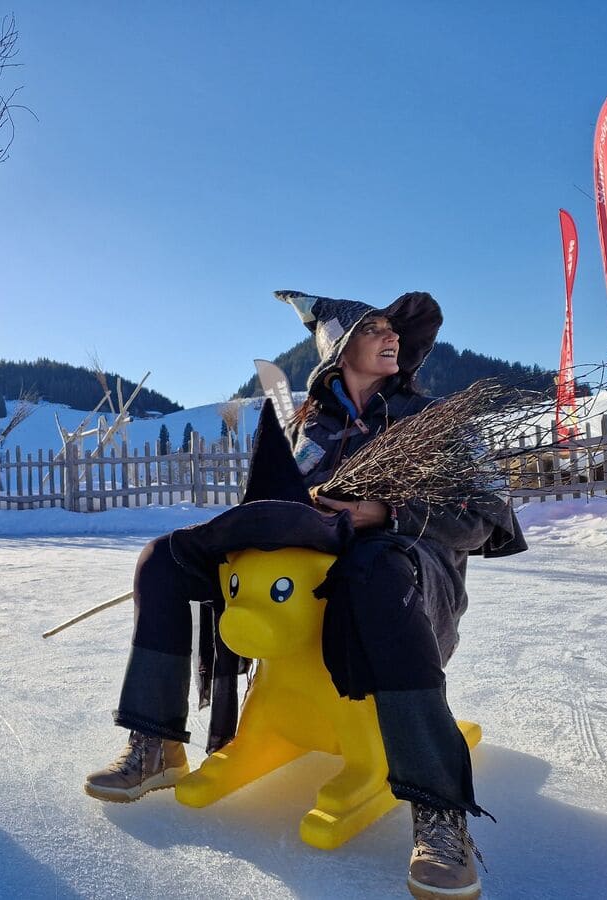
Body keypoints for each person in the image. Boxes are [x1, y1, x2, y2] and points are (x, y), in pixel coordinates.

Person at [84, 289, 525, 900]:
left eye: (394, 329)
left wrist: (385, 511)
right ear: (340, 349)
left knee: (372, 573)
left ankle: (437, 808)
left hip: (406, 580)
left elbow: (485, 512)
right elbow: (279, 509)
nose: (390, 336)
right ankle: (154, 741)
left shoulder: (435, 420)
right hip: (305, 590)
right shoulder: (311, 430)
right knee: (163, 560)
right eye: (372, 329)